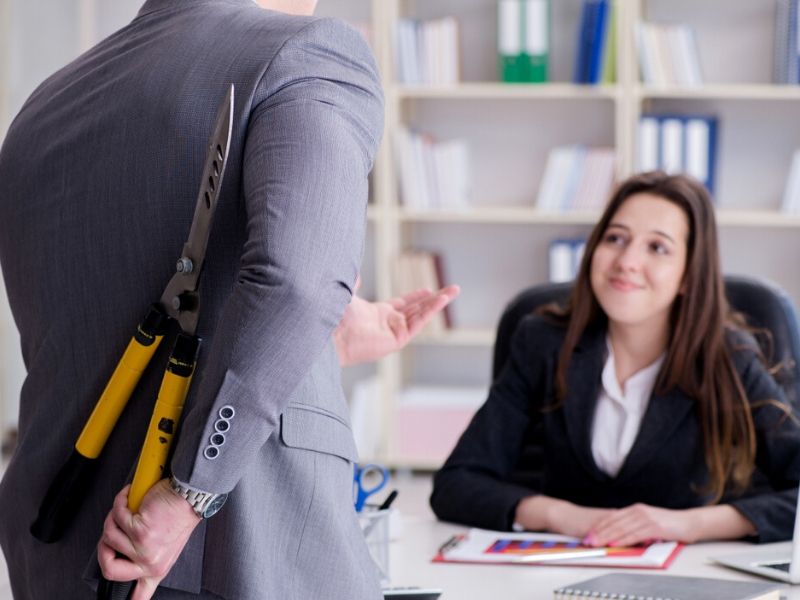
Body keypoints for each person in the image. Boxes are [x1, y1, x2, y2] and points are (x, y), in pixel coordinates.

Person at [0, 0, 458, 598]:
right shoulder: (308, 52)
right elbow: (297, 282)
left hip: (53, 542)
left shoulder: (47, 105)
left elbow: (94, 324)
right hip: (221, 552)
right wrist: (192, 488)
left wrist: (323, 345)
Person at [431, 172, 800, 548]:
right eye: (616, 239)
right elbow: (456, 484)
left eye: (657, 247)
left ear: (689, 275)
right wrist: (560, 515)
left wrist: (689, 525)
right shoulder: (542, 342)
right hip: (556, 570)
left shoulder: (728, 358)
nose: (627, 261)